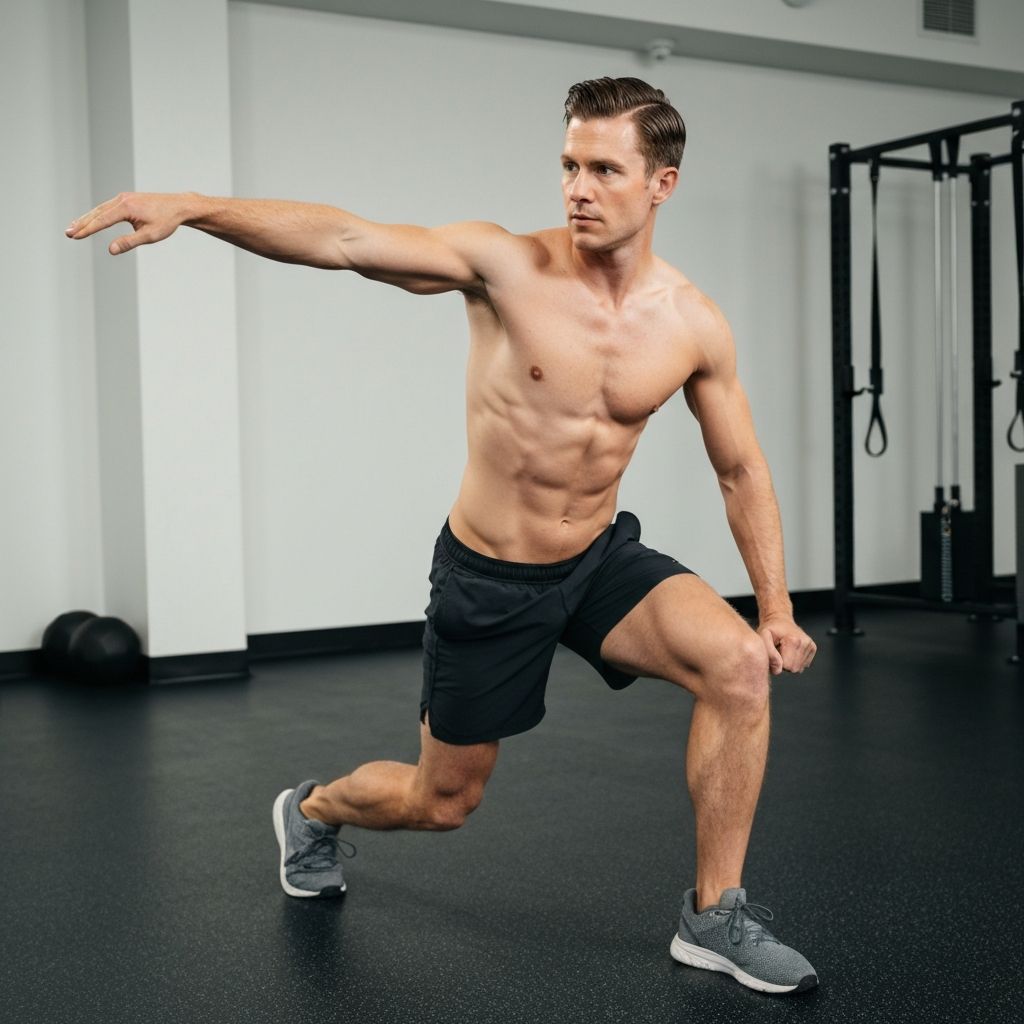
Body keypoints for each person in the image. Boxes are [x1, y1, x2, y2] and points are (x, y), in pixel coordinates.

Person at [67, 77, 818, 995]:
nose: (578, 187)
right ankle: (309, 812)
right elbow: (344, 239)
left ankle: (714, 917)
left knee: (740, 665)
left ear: (661, 183)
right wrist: (195, 207)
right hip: (492, 579)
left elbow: (740, 469)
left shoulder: (693, 323)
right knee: (443, 802)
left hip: (597, 559)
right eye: (569, 166)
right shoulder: (504, 267)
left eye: (605, 170)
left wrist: (776, 608)